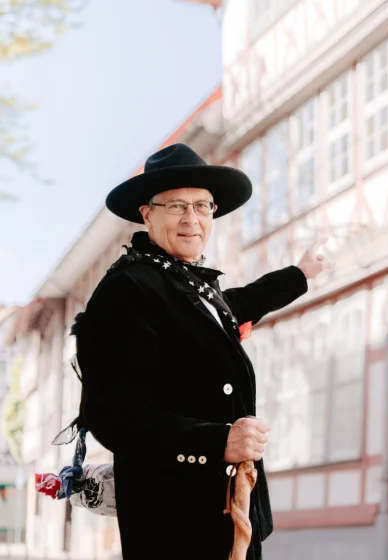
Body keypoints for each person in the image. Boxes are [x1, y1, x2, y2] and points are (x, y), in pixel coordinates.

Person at [69, 143, 328, 559]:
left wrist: (300, 274)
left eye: (203, 206)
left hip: (234, 518)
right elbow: (112, 415)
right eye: (176, 206)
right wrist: (217, 441)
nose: (192, 219)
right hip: (176, 527)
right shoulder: (127, 290)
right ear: (147, 213)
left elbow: (239, 305)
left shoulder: (192, 287)